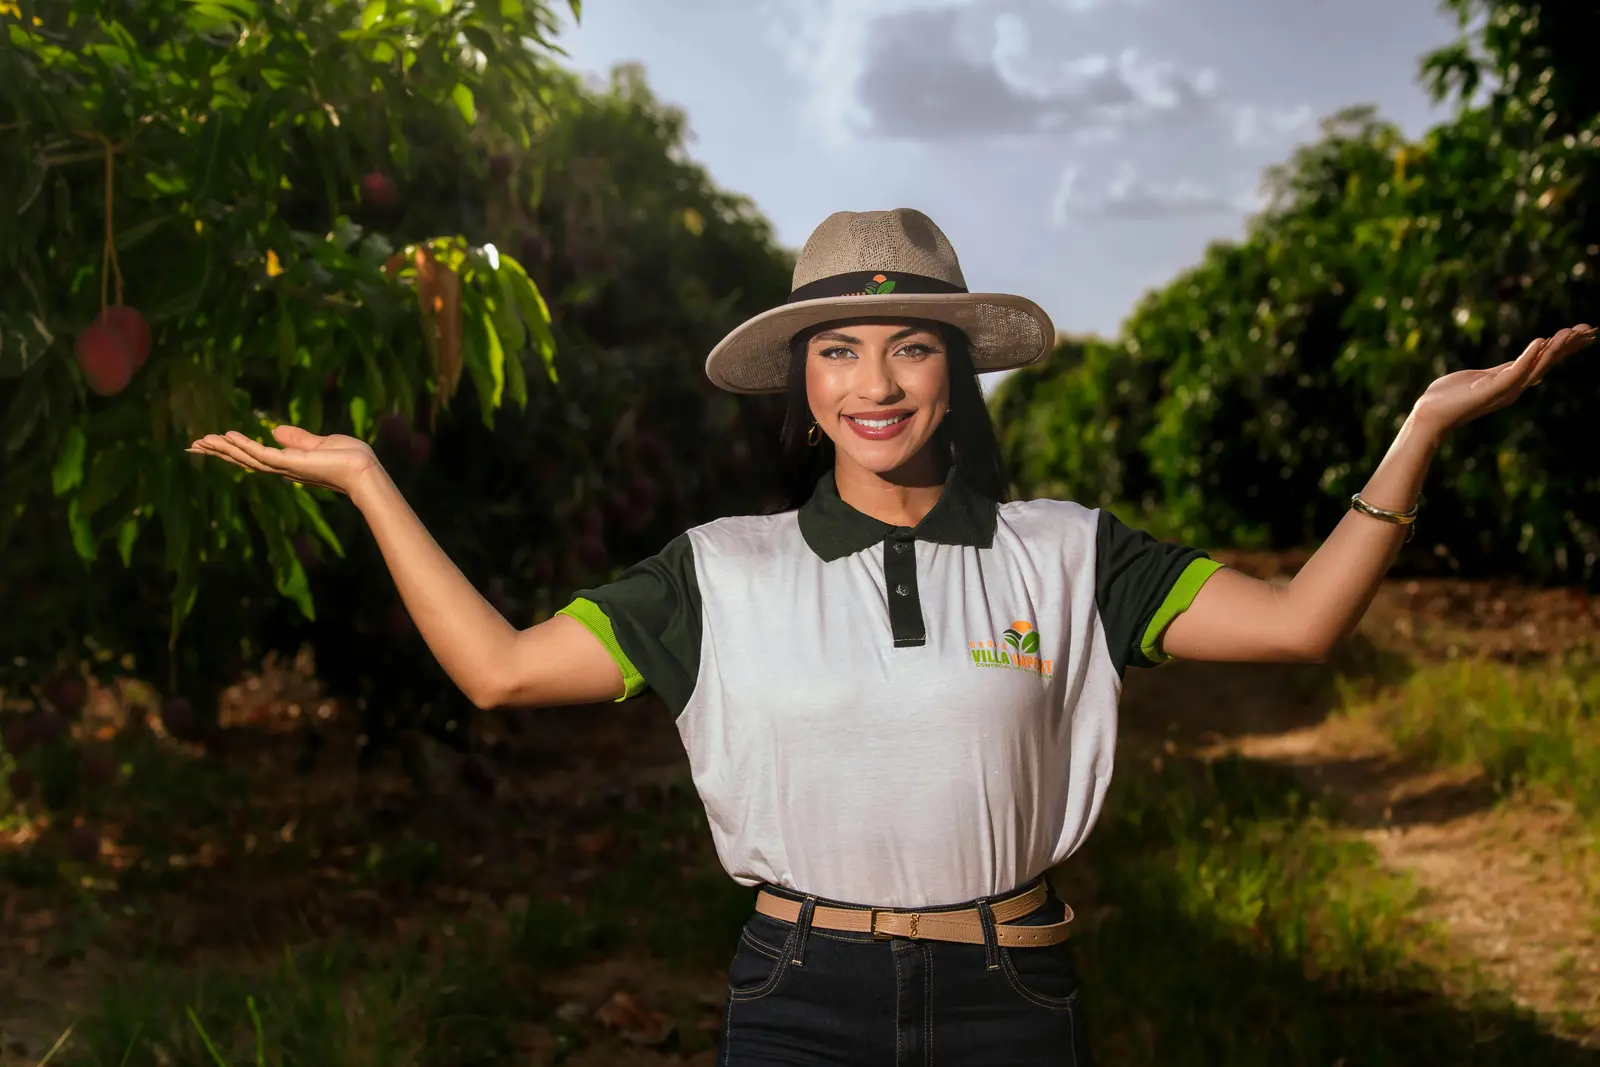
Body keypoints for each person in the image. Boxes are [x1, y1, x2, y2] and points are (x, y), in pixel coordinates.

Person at [188, 208, 1593, 1066]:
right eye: (840, 350)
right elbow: (496, 668)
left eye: (911, 343)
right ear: (804, 381)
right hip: (799, 996)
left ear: (956, 366)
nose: (877, 380)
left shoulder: (1066, 549)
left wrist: (1415, 431)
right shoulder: (720, 575)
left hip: (1012, 992)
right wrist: (372, 481)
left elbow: (1298, 625)